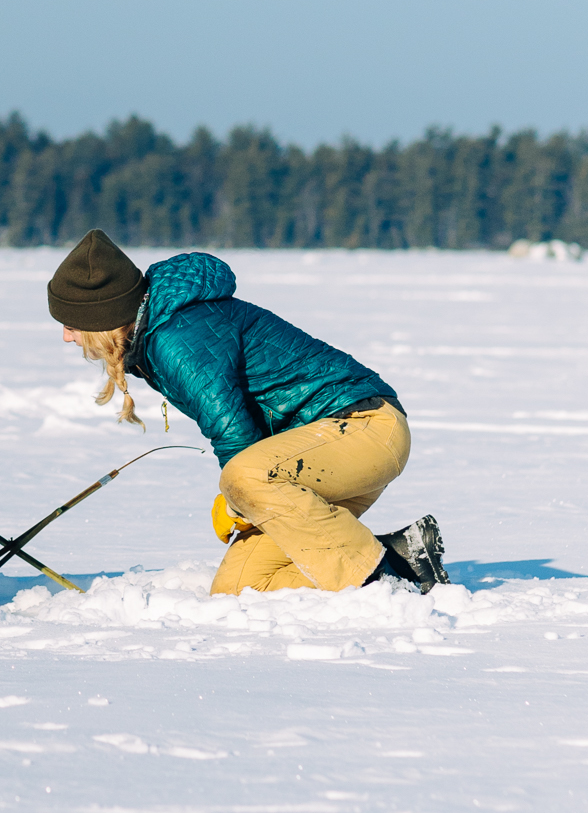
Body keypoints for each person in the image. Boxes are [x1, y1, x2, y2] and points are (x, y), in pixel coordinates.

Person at [44, 228, 446, 594]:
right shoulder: (159, 331)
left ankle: (382, 582)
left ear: (103, 317)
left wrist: (237, 502)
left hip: (364, 427)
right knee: (240, 590)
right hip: (312, 457)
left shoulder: (176, 338)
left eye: (72, 323)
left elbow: (234, 434)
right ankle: (407, 557)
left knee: (242, 477)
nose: (66, 336)